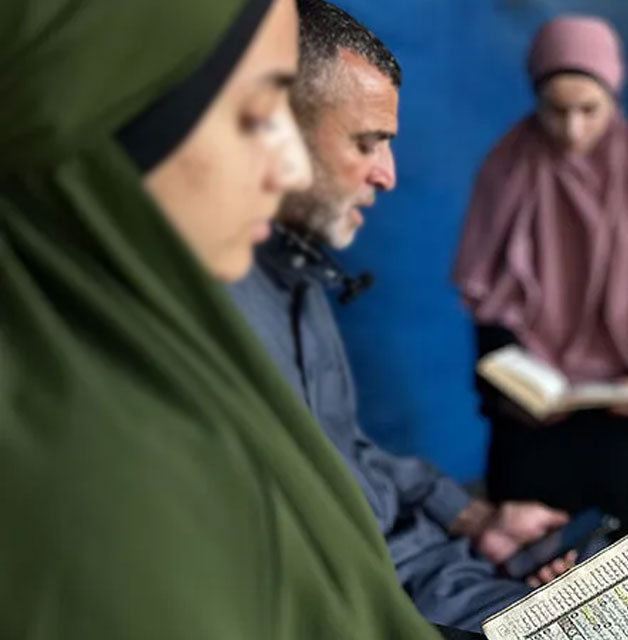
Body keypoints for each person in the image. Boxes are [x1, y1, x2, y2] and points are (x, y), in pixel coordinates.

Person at [0, 0, 457, 638]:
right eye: (255, 114)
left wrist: (468, 516)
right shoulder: (99, 483)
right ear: (123, 116)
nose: (289, 167)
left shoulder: (204, 318)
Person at [228, 0, 571, 632]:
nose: (386, 176)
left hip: (437, 574)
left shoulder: (295, 270)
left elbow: (341, 450)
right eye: (366, 143)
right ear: (277, 126)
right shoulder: (216, 308)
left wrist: (474, 520)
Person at [452, 15, 628, 532]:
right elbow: (488, 297)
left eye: (589, 110)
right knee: (527, 572)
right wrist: (508, 391)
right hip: (532, 422)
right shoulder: (506, 168)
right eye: (556, 111)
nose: (572, 130)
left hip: (624, 419)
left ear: (614, 98)